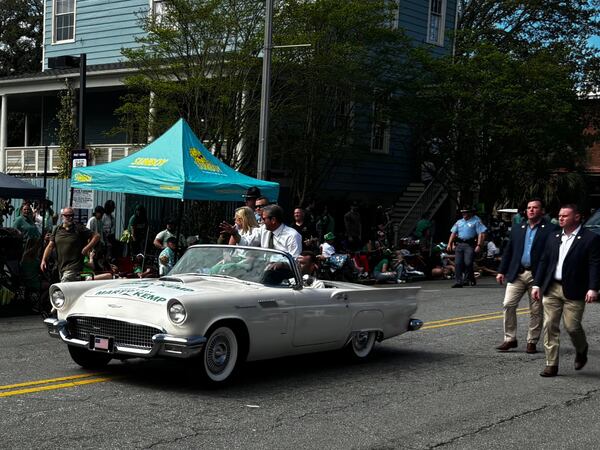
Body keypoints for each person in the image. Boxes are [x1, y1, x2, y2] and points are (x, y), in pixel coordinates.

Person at [532, 204, 600, 377]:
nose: (560, 218)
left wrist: (593, 288)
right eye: (559, 215)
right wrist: (536, 284)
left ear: (577, 217)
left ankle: (582, 348)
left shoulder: (589, 238)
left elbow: (594, 264)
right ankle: (551, 364)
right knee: (549, 325)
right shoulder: (553, 236)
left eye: (565, 216)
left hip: (575, 289)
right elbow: (544, 261)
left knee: (572, 327)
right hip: (552, 287)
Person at [495, 199, 557, 353]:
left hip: (537, 275)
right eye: (529, 208)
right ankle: (510, 339)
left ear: (542, 211)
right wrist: (502, 270)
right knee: (508, 304)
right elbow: (509, 250)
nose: (531, 210)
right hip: (517, 272)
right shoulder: (518, 228)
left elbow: (552, 253)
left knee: (535, 310)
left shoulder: (550, 229)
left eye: (535, 207)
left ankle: (532, 340)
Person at [40, 207, 100, 282]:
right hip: (61, 267)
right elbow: (50, 246)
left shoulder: (78, 228)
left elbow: (96, 236)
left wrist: (87, 248)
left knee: (63, 288)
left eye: (71, 215)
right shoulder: (57, 229)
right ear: (62, 216)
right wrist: (43, 260)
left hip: (74, 267)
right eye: (66, 215)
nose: (69, 217)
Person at [447, 206, 487, 288]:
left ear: (470, 213)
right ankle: (459, 281)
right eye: (463, 212)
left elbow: (481, 234)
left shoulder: (476, 221)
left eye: (466, 212)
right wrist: (449, 244)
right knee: (458, 263)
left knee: (468, 262)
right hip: (459, 244)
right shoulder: (459, 222)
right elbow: (453, 233)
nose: (464, 214)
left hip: (470, 244)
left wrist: (479, 245)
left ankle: (469, 279)